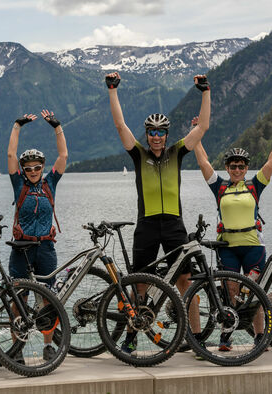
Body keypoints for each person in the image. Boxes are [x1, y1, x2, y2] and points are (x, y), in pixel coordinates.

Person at [106, 71, 210, 353]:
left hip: (175, 224)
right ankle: (130, 337)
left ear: (166, 135)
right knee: (139, 284)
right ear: (147, 134)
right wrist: (113, 90)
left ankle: (195, 338)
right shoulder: (138, 155)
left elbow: (202, 129)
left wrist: (205, 92)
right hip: (147, 225)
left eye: (160, 132)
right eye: (151, 132)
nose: (155, 137)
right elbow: (119, 125)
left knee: (185, 280)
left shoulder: (177, 152)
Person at [193, 117, 272, 352]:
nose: (237, 169)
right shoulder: (220, 186)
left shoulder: (255, 185)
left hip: (253, 247)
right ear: (227, 168)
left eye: (241, 166)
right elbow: (204, 162)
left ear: (246, 168)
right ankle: (226, 336)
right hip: (228, 247)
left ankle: (259, 337)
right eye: (233, 166)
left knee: (256, 293)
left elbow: (271, 163)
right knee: (231, 292)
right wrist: (196, 135)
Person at [6, 109, 68, 362]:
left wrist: (57, 127)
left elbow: (63, 155)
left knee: (47, 299)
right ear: (23, 169)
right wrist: (17, 126)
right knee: (18, 300)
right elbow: (10, 153)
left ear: (43, 167)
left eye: (37, 167)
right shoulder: (18, 184)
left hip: (45, 248)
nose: (32, 170)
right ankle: (17, 348)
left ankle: (47, 346)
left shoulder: (49, 183)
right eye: (28, 167)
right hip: (21, 248)